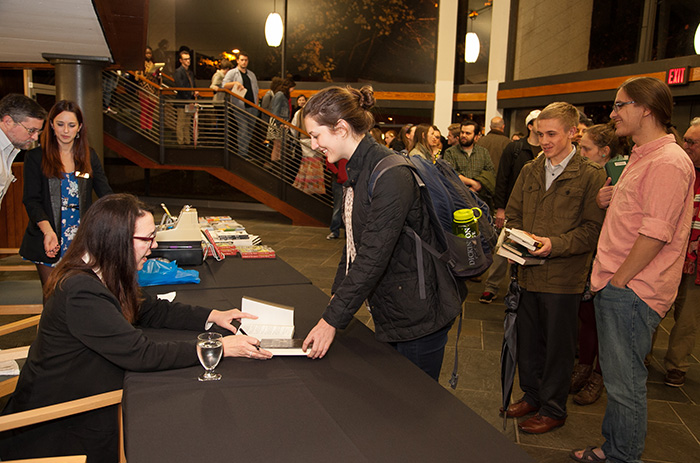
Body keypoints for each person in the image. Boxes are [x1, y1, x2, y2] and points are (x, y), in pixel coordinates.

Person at [0, 193, 272, 462]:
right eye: (147, 239)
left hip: (79, 398)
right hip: (59, 422)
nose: (153, 247)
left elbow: (150, 308)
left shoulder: (100, 270)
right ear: (116, 241)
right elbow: (141, 354)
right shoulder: (80, 291)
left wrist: (213, 315)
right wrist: (216, 347)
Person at [301, 86, 463, 381]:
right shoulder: (358, 169)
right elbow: (353, 242)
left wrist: (331, 320)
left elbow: (373, 255)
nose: (313, 144)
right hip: (397, 306)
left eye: (316, 134)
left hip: (420, 315)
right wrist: (337, 295)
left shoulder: (390, 174)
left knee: (415, 404)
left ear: (341, 128)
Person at [571, 77, 695, 463]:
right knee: (619, 380)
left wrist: (619, 280)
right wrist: (606, 199)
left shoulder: (669, 162)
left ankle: (623, 456)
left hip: (632, 289)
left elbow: (656, 233)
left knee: (625, 384)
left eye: (620, 105)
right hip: (620, 284)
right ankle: (612, 449)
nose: (613, 113)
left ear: (646, 108)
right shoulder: (644, 156)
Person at [502, 102, 606, 435]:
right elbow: (514, 213)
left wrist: (553, 244)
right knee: (529, 343)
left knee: (558, 349)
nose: (544, 140)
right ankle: (532, 396)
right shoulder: (531, 169)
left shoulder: (591, 174)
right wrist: (515, 241)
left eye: (551, 134)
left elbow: (592, 229)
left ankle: (553, 408)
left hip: (563, 278)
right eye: (539, 133)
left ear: (572, 132)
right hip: (528, 272)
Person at [18, 100, 113, 290]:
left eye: (71, 125)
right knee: (53, 296)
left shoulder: (89, 156)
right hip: (48, 237)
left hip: (82, 240)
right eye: (60, 124)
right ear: (51, 125)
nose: (66, 131)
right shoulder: (36, 157)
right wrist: (48, 231)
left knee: (83, 294)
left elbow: (106, 194)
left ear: (80, 128)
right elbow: (31, 200)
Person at [569, 122, 622, 406]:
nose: (580, 152)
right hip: (588, 258)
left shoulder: (620, 176)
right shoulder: (588, 176)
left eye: (585, 148)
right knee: (586, 317)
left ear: (605, 152)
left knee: (606, 323)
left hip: (612, 260)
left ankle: (598, 376)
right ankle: (584, 367)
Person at [479, 110, 540, 304]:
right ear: (530, 126)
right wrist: (500, 208)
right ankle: (492, 287)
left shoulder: (548, 150)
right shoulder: (515, 148)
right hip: (513, 209)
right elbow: (502, 179)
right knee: (503, 248)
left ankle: (523, 288)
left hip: (537, 211)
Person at [660, 117, 700, 388]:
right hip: (667, 250)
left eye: (692, 142)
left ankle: (677, 365)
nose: (685, 145)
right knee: (654, 307)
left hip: (697, 261)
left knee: (687, 316)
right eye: (685, 139)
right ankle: (641, 355)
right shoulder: (677, 167)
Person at [0, 93, 46, 209]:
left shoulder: (9, 150)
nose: (35, 137)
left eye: (38, 132)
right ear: (8, 122)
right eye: (31, 130)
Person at [443, 120, 496, 210]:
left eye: (468, 133)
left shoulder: (483, 152)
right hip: (457, 200)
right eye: (462, 132)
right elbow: (450, 174)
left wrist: (477, 186)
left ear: (476, 137)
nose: (463, 135)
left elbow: (490, 173)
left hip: (480, 201)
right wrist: (472, 183)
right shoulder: (450, 152)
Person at [223, 51, 260, 157]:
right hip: (239, 106)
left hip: (252, 106)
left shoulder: (251, 74)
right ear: (238, 61)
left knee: (249, 130)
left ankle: (245, 152)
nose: (244, 62)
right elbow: (224, 85)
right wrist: (235, 83)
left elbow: (256, 90)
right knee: (243, 129)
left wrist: (256, 105)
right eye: (242, 60)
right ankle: (242, 154)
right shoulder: (232, 73)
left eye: (246, 60)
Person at [173, 50, 199, 145]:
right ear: (181, 60)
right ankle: (181, 142)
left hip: (190, 100)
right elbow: (181, 88)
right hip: (183, 101)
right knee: (181, 123)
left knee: (188, 123)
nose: (188, 61)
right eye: (185, 59)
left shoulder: (190, 72)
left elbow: (193, 85)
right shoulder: (178, 72)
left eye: (189, 59)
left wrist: (195, 92)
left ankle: (187, 142)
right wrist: (189, 99)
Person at [267, 77, 295, 164]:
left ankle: (276, 162)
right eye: (292, 88)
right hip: (278, 123)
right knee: (277, 145)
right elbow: (275, 110)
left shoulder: (280, 94)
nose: (293, 90)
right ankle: (276, 163)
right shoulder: (280, 95)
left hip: (280, 122)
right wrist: (279, 123)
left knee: (278, 145)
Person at [136, 46, 159, 131]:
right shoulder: (140, 64)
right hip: (144, 89)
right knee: (144, 110)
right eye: (147, 53)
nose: (148, 55)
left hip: (153, 89)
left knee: (151, 111)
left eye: (150, 53)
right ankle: (143, 127)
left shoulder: (153, 63)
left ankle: (149, 127)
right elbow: (137, 76)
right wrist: (146, 74)